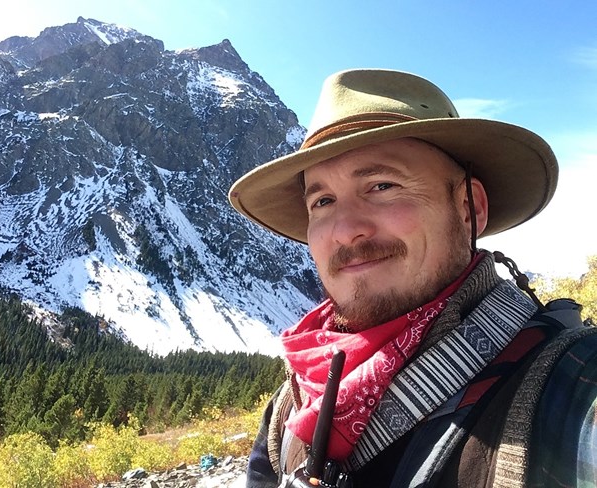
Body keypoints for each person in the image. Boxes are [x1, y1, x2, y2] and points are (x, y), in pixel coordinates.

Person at [229, 69, 597, 488]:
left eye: (382, 185)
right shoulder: (290, 410)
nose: (346, 230)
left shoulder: (573, 391)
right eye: (323, 200)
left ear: (468, 208)